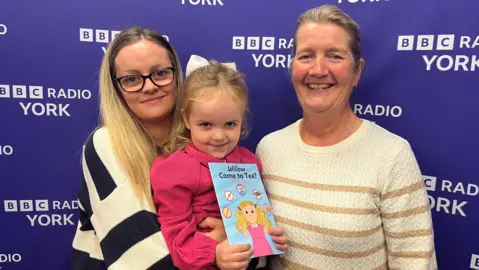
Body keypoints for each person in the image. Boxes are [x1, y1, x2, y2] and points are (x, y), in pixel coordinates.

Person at [255, 5, 437, 270]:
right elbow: (261, 248)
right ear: (292, 67)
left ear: (357, 71)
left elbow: (416, 264)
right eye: (306, 56)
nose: (318, 70)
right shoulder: (269, 149)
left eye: (334, 56)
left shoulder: (392, 155)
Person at [71, 27, 240, 270]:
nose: (149, 86)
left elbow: (250, 244)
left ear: (176, 75)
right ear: (116, 88)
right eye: (131, 79)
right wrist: (213, 250)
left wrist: (232, 232)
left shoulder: (207, 140)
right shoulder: (106, 144)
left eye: (160, 73)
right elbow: (141, 258)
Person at [150, 55, 288, 270]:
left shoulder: (249, 162)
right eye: (206, 124)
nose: (218, 136)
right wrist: (213, 254)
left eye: (230, 124)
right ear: (187, 119)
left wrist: (269, 235)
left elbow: (255, 214)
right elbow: (175, 235)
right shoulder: (175, 169)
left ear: (242, 119)